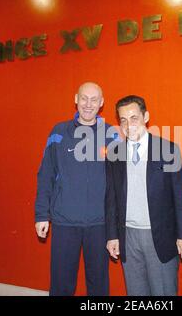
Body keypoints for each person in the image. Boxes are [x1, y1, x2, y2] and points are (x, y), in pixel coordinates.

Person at [105, 95, 182, 296]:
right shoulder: (114, 154)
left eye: (134, 118)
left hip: (160, 236)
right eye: (123, 120)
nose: (129, 125)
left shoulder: (168, 150)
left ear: (146, 117)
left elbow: (181, 196)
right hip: (128, 237)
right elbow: (111, 199)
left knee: (163, 294)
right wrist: (112, 236)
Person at [34, 82, 115, 296]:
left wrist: (117, 223)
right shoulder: (58, 132)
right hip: (64, 222)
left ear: (102, 103)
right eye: (84, 98)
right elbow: (45, 175)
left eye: (94, 99)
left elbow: (120, 183)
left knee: (98, 286)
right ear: (76, 99)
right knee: (61, 285)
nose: (88, 104)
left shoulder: (112, 135)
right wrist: (42, 214)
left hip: (100, 224)